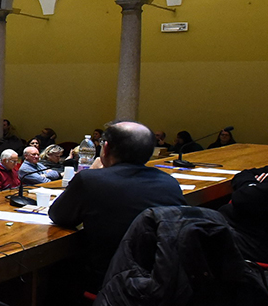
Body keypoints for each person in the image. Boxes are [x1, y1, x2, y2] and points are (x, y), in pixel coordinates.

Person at [49, 121, 185, 283]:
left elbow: (58, 215)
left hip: (108, 279)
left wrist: (92, 172)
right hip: (161, 277)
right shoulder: (169, 182)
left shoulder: (90, 179)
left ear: (105, 148)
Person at [221, 165, 268, 263]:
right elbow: (246, 173)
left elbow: (242, 197)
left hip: (258, 243)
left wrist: (250, 185)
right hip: (251, 229)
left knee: (198, 227)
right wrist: (253, 185)